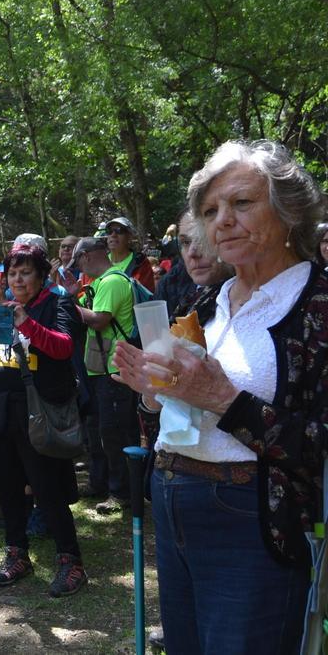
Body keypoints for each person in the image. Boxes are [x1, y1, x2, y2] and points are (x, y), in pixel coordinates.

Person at [112, 139, 328, 653]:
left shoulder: (319, 307)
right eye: (210, 211)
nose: (223, 221)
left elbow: (318, 447)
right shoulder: (206, 302)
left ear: (289, 210)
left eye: (242, 203)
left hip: (253, 518)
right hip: (172, 499)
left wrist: (224, 400)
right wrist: (151, 396)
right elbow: (168, 418)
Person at [0, 243, 87, 597]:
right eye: (13, 273)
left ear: (41, 274)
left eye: (26, 272)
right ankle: (17, 555)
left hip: (37, 409)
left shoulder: (57, 303)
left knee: (47, 488)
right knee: (9, 486)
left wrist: (27, 323)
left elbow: (63, 347)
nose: (18, 279)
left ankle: (71, 562)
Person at [70, 236, 137, 514]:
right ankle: (103, 483)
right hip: (102, 369)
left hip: (116, 370)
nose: (79, 268)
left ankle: (123, 493)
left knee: (116, 432)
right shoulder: (98, 283)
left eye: (78, 262)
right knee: (100, 430)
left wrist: (68, 305)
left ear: (86, 257)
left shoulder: (111, 281)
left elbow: (99, 319)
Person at [103, 216, 156, 292]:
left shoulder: (140, 263)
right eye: (109, 231)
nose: (113, 235)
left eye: (119, 231)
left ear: (130, 237)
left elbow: (145, 294)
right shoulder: (99, 261)